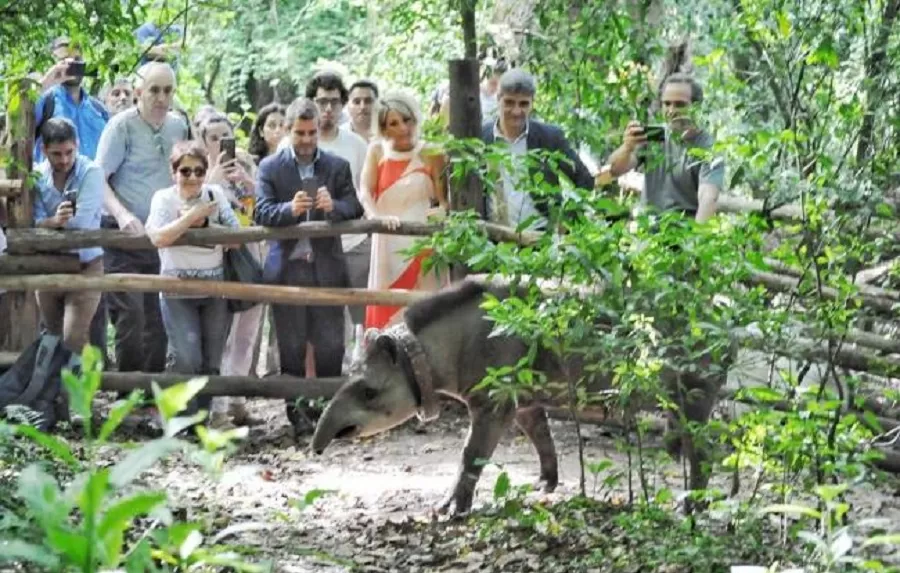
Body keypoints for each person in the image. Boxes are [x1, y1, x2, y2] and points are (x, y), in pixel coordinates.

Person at [254, 97, 363, 434]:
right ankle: (296, 413)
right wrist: (289, 210)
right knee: (291, 345)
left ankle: (330, 411)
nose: (305, 139)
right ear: (288, 131)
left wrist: (334, 207)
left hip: (326, 266)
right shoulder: (270, 168)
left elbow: (355, 207)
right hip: (288, 268)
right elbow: (261, 212)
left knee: (331, 344)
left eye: (311, 132)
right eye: (299, 133)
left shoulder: (337, 165)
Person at [96, 61, 189, 374]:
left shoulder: (178, 126)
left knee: (157, 316)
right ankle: (128, 394)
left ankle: (149, 395)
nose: (161, 98)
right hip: (123, 235)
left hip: (161, 234)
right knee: (129, 316)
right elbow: (99, 178)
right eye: (154, 90)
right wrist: (122, 215)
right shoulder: (120, 126)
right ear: (139, 92)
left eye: (167, 91)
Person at [146, 141, 239, 415]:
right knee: (186, 357)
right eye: (186, 171)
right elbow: (158, 237)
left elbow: (236, 237)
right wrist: (190, 219)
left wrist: (207, 224)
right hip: (176, 291)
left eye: (199, 171)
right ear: (173, 172)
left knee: (211, 360)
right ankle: (180, 418)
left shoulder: (215, 194)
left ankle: (201, 418)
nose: (193, 178)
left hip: (214, 290)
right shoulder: (163, 199)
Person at [360, 92, 448, 331]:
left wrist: (440, 212)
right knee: (387, 305)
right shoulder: (377, 151)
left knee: (426, 305)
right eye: (394, 123)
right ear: (383, 128)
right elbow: (365, 191)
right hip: (387, 238)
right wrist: (375, 217)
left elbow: (443, 200)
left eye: (407, 120)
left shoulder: (432, 152)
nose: (403, 128)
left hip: (423, 239)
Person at [198, 113, 264, 427]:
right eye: (213, 138)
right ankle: (218, 409)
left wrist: (248, 182)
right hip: (217, 257)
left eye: (226, 136)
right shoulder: (198, 172)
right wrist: (211, 179)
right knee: (222, 334)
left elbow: (265, 205)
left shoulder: (251, 170)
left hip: (251, 252)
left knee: (248, 333)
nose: (221, 144)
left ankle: (239, 400)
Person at [305, 72, 369, 360]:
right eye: (321, 102)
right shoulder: (296, 143)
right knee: (324, 317)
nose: (327, 109)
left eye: (333, 102)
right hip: (313, 245)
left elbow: (364, 193)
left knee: (362, 313)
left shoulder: (357, 145)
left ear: (342, 104)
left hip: (353, 240)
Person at [480, 69, 594, 231]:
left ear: (532, 102)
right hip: (494, 239)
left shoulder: (549, 137)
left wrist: (567, 219)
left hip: (540, 240)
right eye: (509, 102)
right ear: (498, 99)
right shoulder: (481, 138)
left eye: (524, 103)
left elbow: (584, 180)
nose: (516, 111)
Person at [31, 118, 104, 365]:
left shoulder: (91, 172)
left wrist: (49, 223)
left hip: (87, 264)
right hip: (49, 264)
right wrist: (54, 221)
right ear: (44, 151)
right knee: (52, 335)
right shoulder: (37, 175)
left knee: (73, 336)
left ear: (77, 145)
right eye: (56, 154)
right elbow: (33, 220)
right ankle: (55, 398)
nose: (64, 159)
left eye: (69, 152)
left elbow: (82, 221)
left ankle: (80, 394)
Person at [607, 73, 724, 223]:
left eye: (679, 104)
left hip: (683, 232)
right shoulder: (653, 136)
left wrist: (697, 239)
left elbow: (708, 197)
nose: (671, 110)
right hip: (647, 230)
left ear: (696, 107)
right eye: (667, 104)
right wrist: (627, 147)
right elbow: (613, 170)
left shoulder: (709, 147)